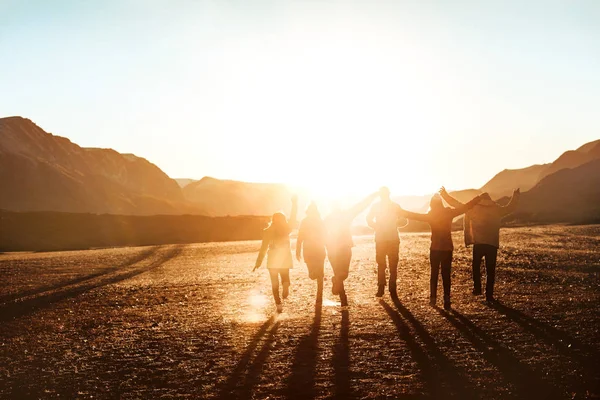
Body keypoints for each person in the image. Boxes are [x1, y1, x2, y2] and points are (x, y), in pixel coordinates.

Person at [399, 193, 483, 309]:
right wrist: (477, 199)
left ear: (432, 204)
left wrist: (400, 211)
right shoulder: (449, 213)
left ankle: (433, 298)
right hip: (447, 248)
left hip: (434, 248)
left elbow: (414, 216)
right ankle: (447, 299)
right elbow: (464, 208)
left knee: (434, 274)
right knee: (446, 275)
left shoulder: (431, 215)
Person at [440, 187, 520, 302]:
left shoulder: (473, 208)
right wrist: (515, 196)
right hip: (492, 243)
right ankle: (489, 295)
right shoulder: (496, 209)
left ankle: (477, 288)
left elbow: (457, 205)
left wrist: (444, 195)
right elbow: (510, 208)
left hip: (478, 243)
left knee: (476, 267)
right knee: (490, 270)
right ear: (490, 199)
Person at [325, 192, 379, 306]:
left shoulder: (331, 218)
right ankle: (343, 298)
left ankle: (337, 282)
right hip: (340, 248)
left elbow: (360, 206)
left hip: (336, 249)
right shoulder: (341, 216)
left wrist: (372, 196)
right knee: (342, 273)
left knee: (341, 274)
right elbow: (360, 206)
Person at [253, 196, 298, 313]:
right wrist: (294, 203)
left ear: (273, 219)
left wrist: (258, 262)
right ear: (283, 220)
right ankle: (286, 284)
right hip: (285, 257)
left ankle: (278, 304)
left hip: (273, 260)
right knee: (285, 275)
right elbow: (293, 218)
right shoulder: (287, 228)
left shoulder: (268, 231)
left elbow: (263, 248)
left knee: (274, 283)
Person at [366, 187, 408, 297]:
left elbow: (369, 219)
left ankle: (381, 288)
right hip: (391, 238)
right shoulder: (395, 206)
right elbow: (405, 220)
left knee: (382, 264)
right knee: (392, 265)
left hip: (382, 239)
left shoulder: (377, 206)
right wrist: (394, 224)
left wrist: (376, 226)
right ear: (389, 194)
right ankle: (392, 288)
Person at [296, 202, 327, 304]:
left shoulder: (314, 221)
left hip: (313, 249)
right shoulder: (309, 221)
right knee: (315, 274)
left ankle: (319, 295)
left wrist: (298, 250)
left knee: (318, 274)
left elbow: (326, 235)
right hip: (314, 249)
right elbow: (300, 236)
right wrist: (297, 250)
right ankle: (319, 289)